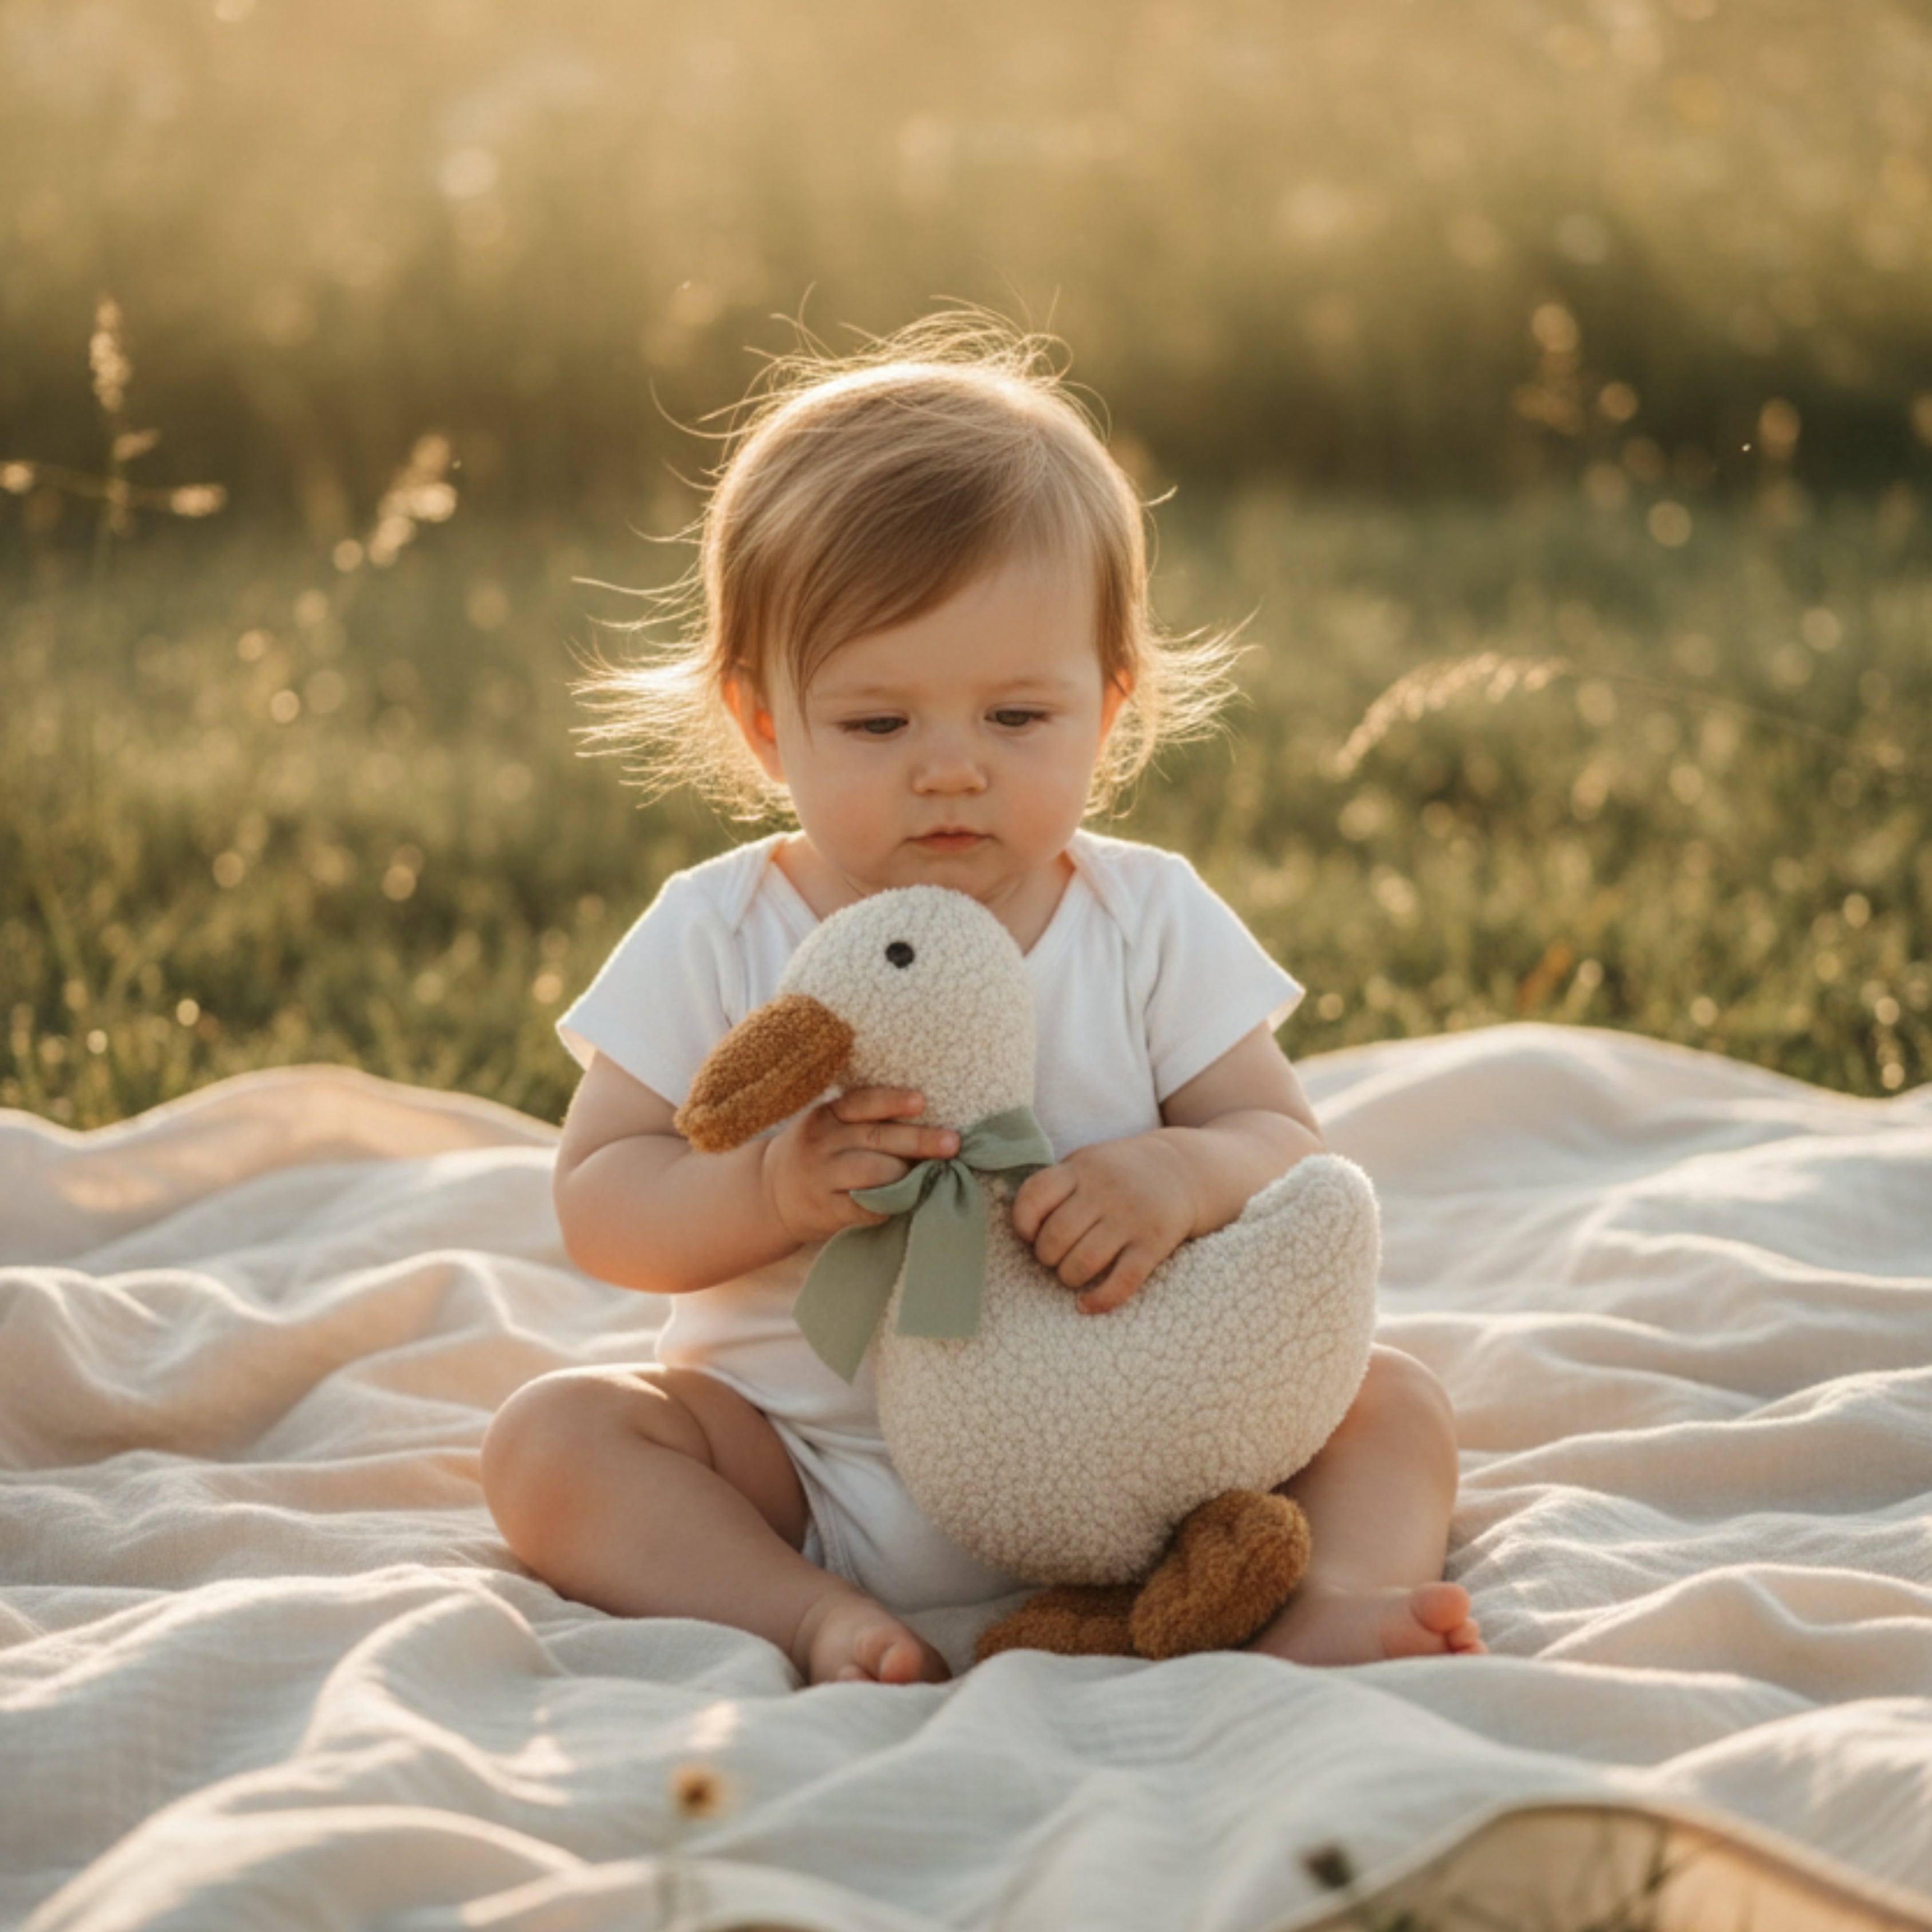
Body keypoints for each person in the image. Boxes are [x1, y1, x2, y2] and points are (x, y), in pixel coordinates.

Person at [481, 318, 1484, 1685]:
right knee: (552, 1439)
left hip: (1135, 1444)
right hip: (803, 1461)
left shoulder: (1142, 916)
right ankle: (806, 1613)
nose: (949, 769)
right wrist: (766, 1190)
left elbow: (1283, 1145)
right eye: (878, 723)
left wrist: (1175, 1174)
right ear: (763, 721)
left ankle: (1325, 1594)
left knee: (1388, 1398)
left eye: (1016, 719)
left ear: (1108, 706)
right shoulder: (718, 931)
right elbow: (602, 1196)